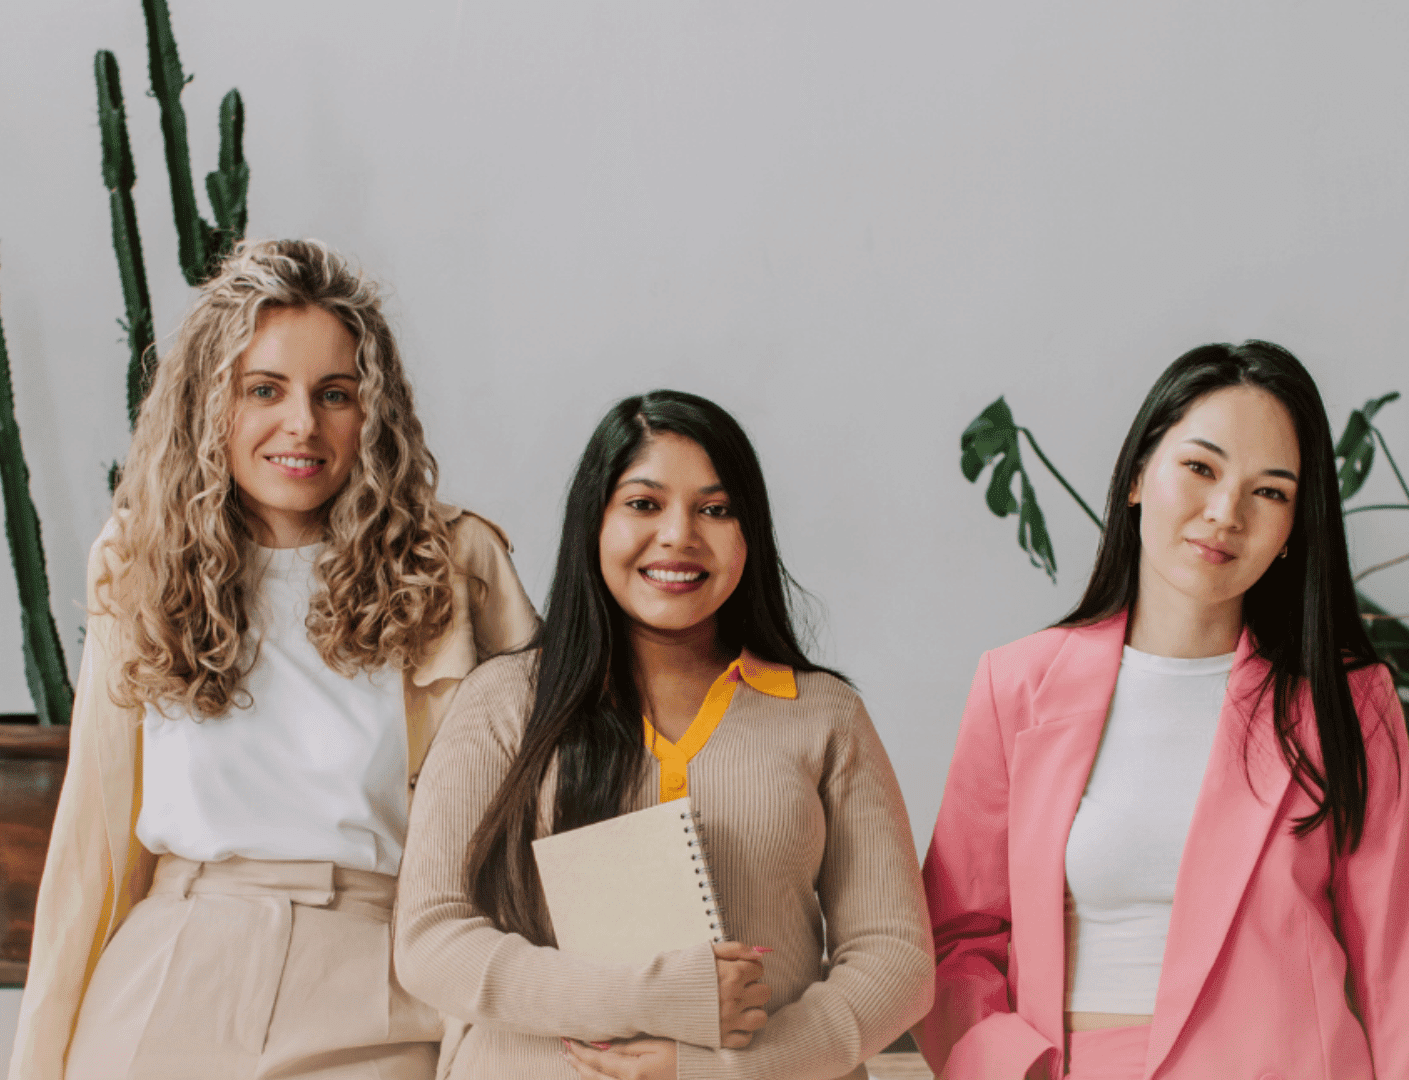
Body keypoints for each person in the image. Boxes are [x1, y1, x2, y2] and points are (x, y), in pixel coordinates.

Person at [9, 239, 538, 1080]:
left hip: (379, 971)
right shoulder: (138, 558)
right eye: (265, 389)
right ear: (210, 403)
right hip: (169, 967)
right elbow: (91, 847)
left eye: (336, 394)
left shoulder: (453, 563)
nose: (303, 425)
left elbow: (552, 800)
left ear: (375, 415)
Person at [918, 341, 1409, 1080]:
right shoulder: (1017, 686)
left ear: (1296, 527)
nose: (1225, 513)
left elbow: (1401, 973)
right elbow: (954, 940)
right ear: (1139, 475)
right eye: (1200, 468)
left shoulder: (1350, 699)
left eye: (1270, 492)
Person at [394, 389, 933, 1079]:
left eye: (715, 509)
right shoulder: (504, 702)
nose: (680, 534)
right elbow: (430, 939)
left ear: (750, 534)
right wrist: (652, 996)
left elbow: (897, 959)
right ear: (594, 521)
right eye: (644, 504)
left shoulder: (823, 714)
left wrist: (730, 1069)